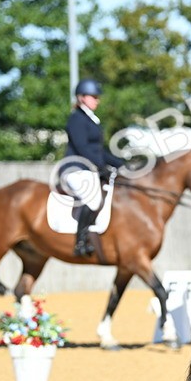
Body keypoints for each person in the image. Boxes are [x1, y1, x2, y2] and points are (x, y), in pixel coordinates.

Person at [62, 79, 124, 257]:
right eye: (94, 97)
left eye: (97, 97)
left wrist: (122, 164)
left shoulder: (92, 120)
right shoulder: (76, 119)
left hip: (88, 169)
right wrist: (101, 167)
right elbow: (82, 147)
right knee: (93, 199)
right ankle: (80, 241)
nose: (97, 100)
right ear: (81, 98)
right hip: (75, 169)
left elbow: (99, 151)